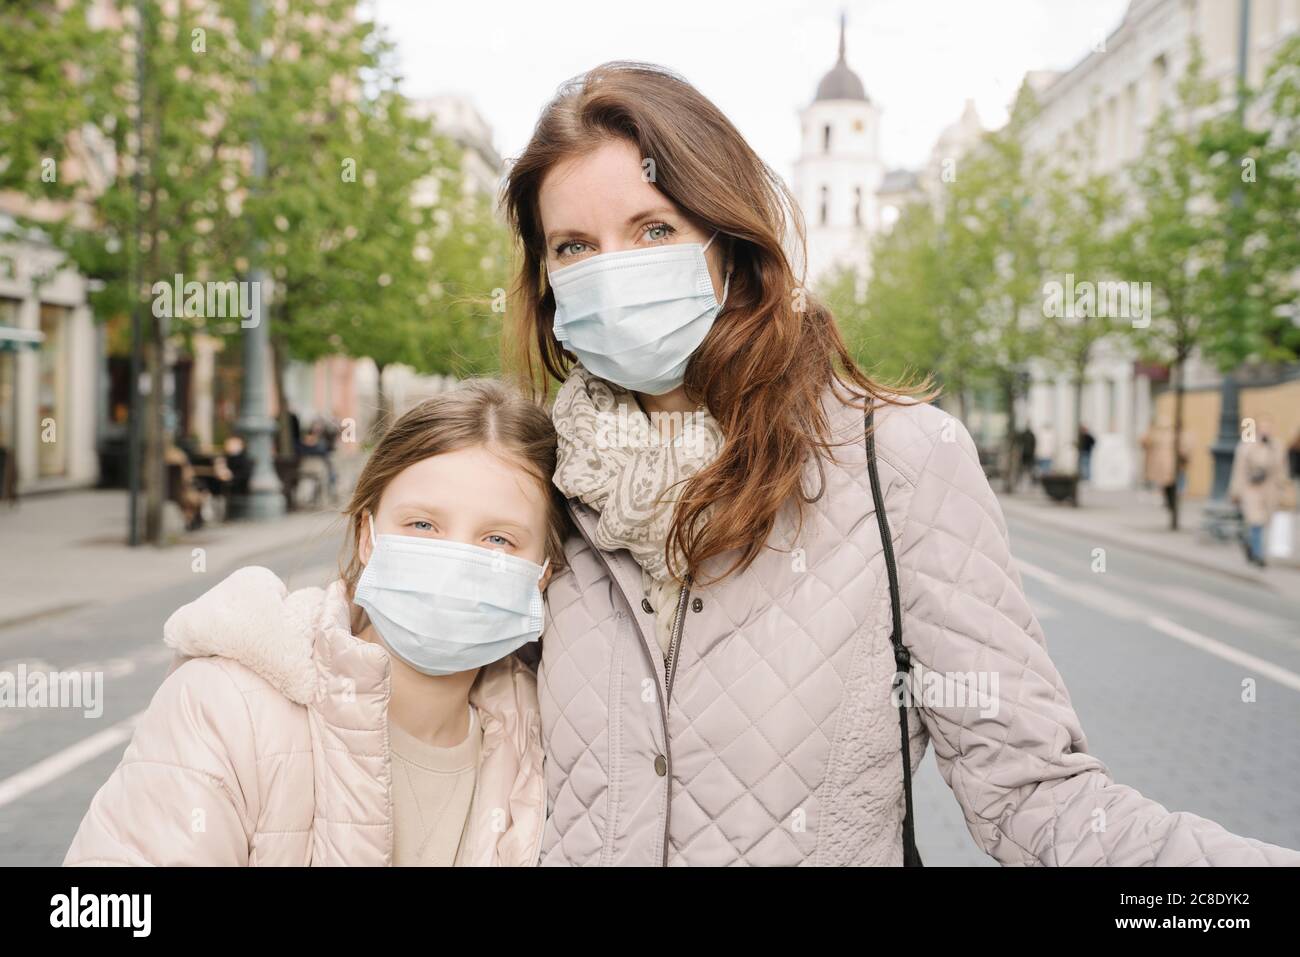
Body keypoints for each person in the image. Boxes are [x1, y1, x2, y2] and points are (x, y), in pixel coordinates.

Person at [504, 61, 1299, 865]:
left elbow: (1039, 801)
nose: (612, 270)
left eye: (653, 230)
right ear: (544, 280)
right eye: (573, 246)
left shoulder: (899, 460)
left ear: (730, 244)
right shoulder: (525, 482)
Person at [64, 380, 562, 866]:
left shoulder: (547, 747)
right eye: (422, 525)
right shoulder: (226, 708)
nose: (455, 560)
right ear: (368, 536)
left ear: (544, 572)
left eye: (498, 539)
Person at [1229, 417, 1288, 567]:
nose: (1266, 430)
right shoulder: (1247, 446)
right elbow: (1239, 470)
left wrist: (1283, 489)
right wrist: (1235, 491)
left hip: (1269, 489)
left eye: (1268, 427)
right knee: (1256, 521)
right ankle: (1258, 554)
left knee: (1263, 521)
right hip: (1251, 488)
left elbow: (1281, 469)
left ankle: (1250, 545)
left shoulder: (1276, 446)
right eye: (1263, 427)